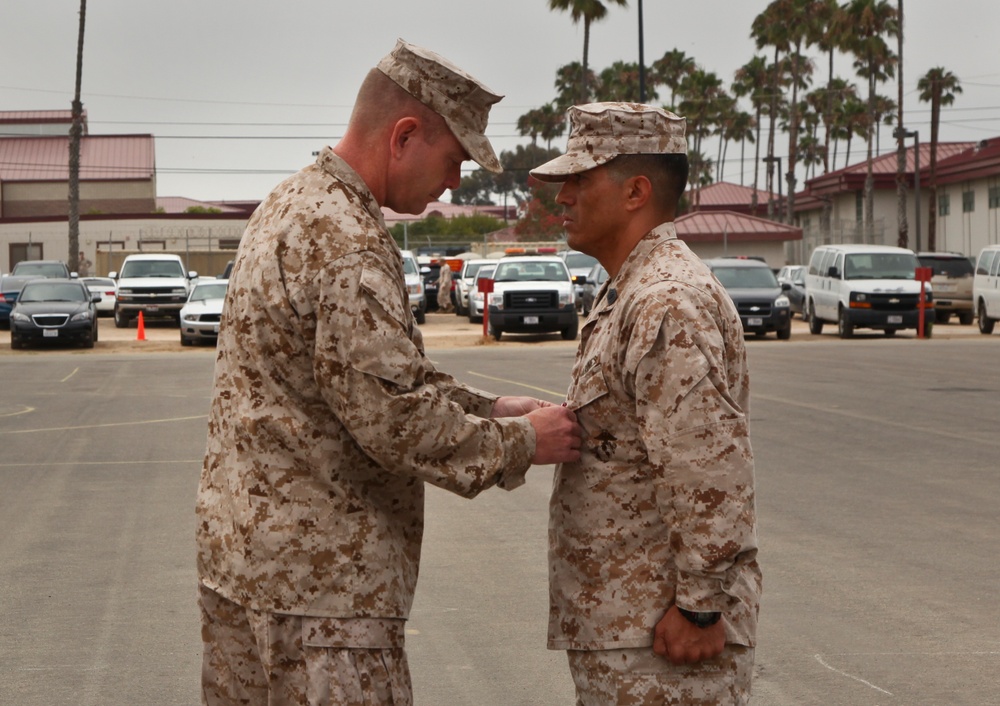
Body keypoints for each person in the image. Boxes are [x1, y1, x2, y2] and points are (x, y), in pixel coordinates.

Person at [195, 39, 582, 706]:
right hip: (325, 600)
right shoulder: (347, 239)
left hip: (244, 571)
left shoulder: (285, 206)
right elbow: (394, 420)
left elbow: (360, 381)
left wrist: (490, 408)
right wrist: (523, 442)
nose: (456, 181)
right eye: (455, 157)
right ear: (405, 135)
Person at [530, 102, 762, 704]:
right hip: (628, 624)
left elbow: (707, 465)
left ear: (635, 191)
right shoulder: (631, 288)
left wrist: (702, 607)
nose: (563, 198)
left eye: (579, 180)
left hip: (664, 635)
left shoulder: (667, 300)